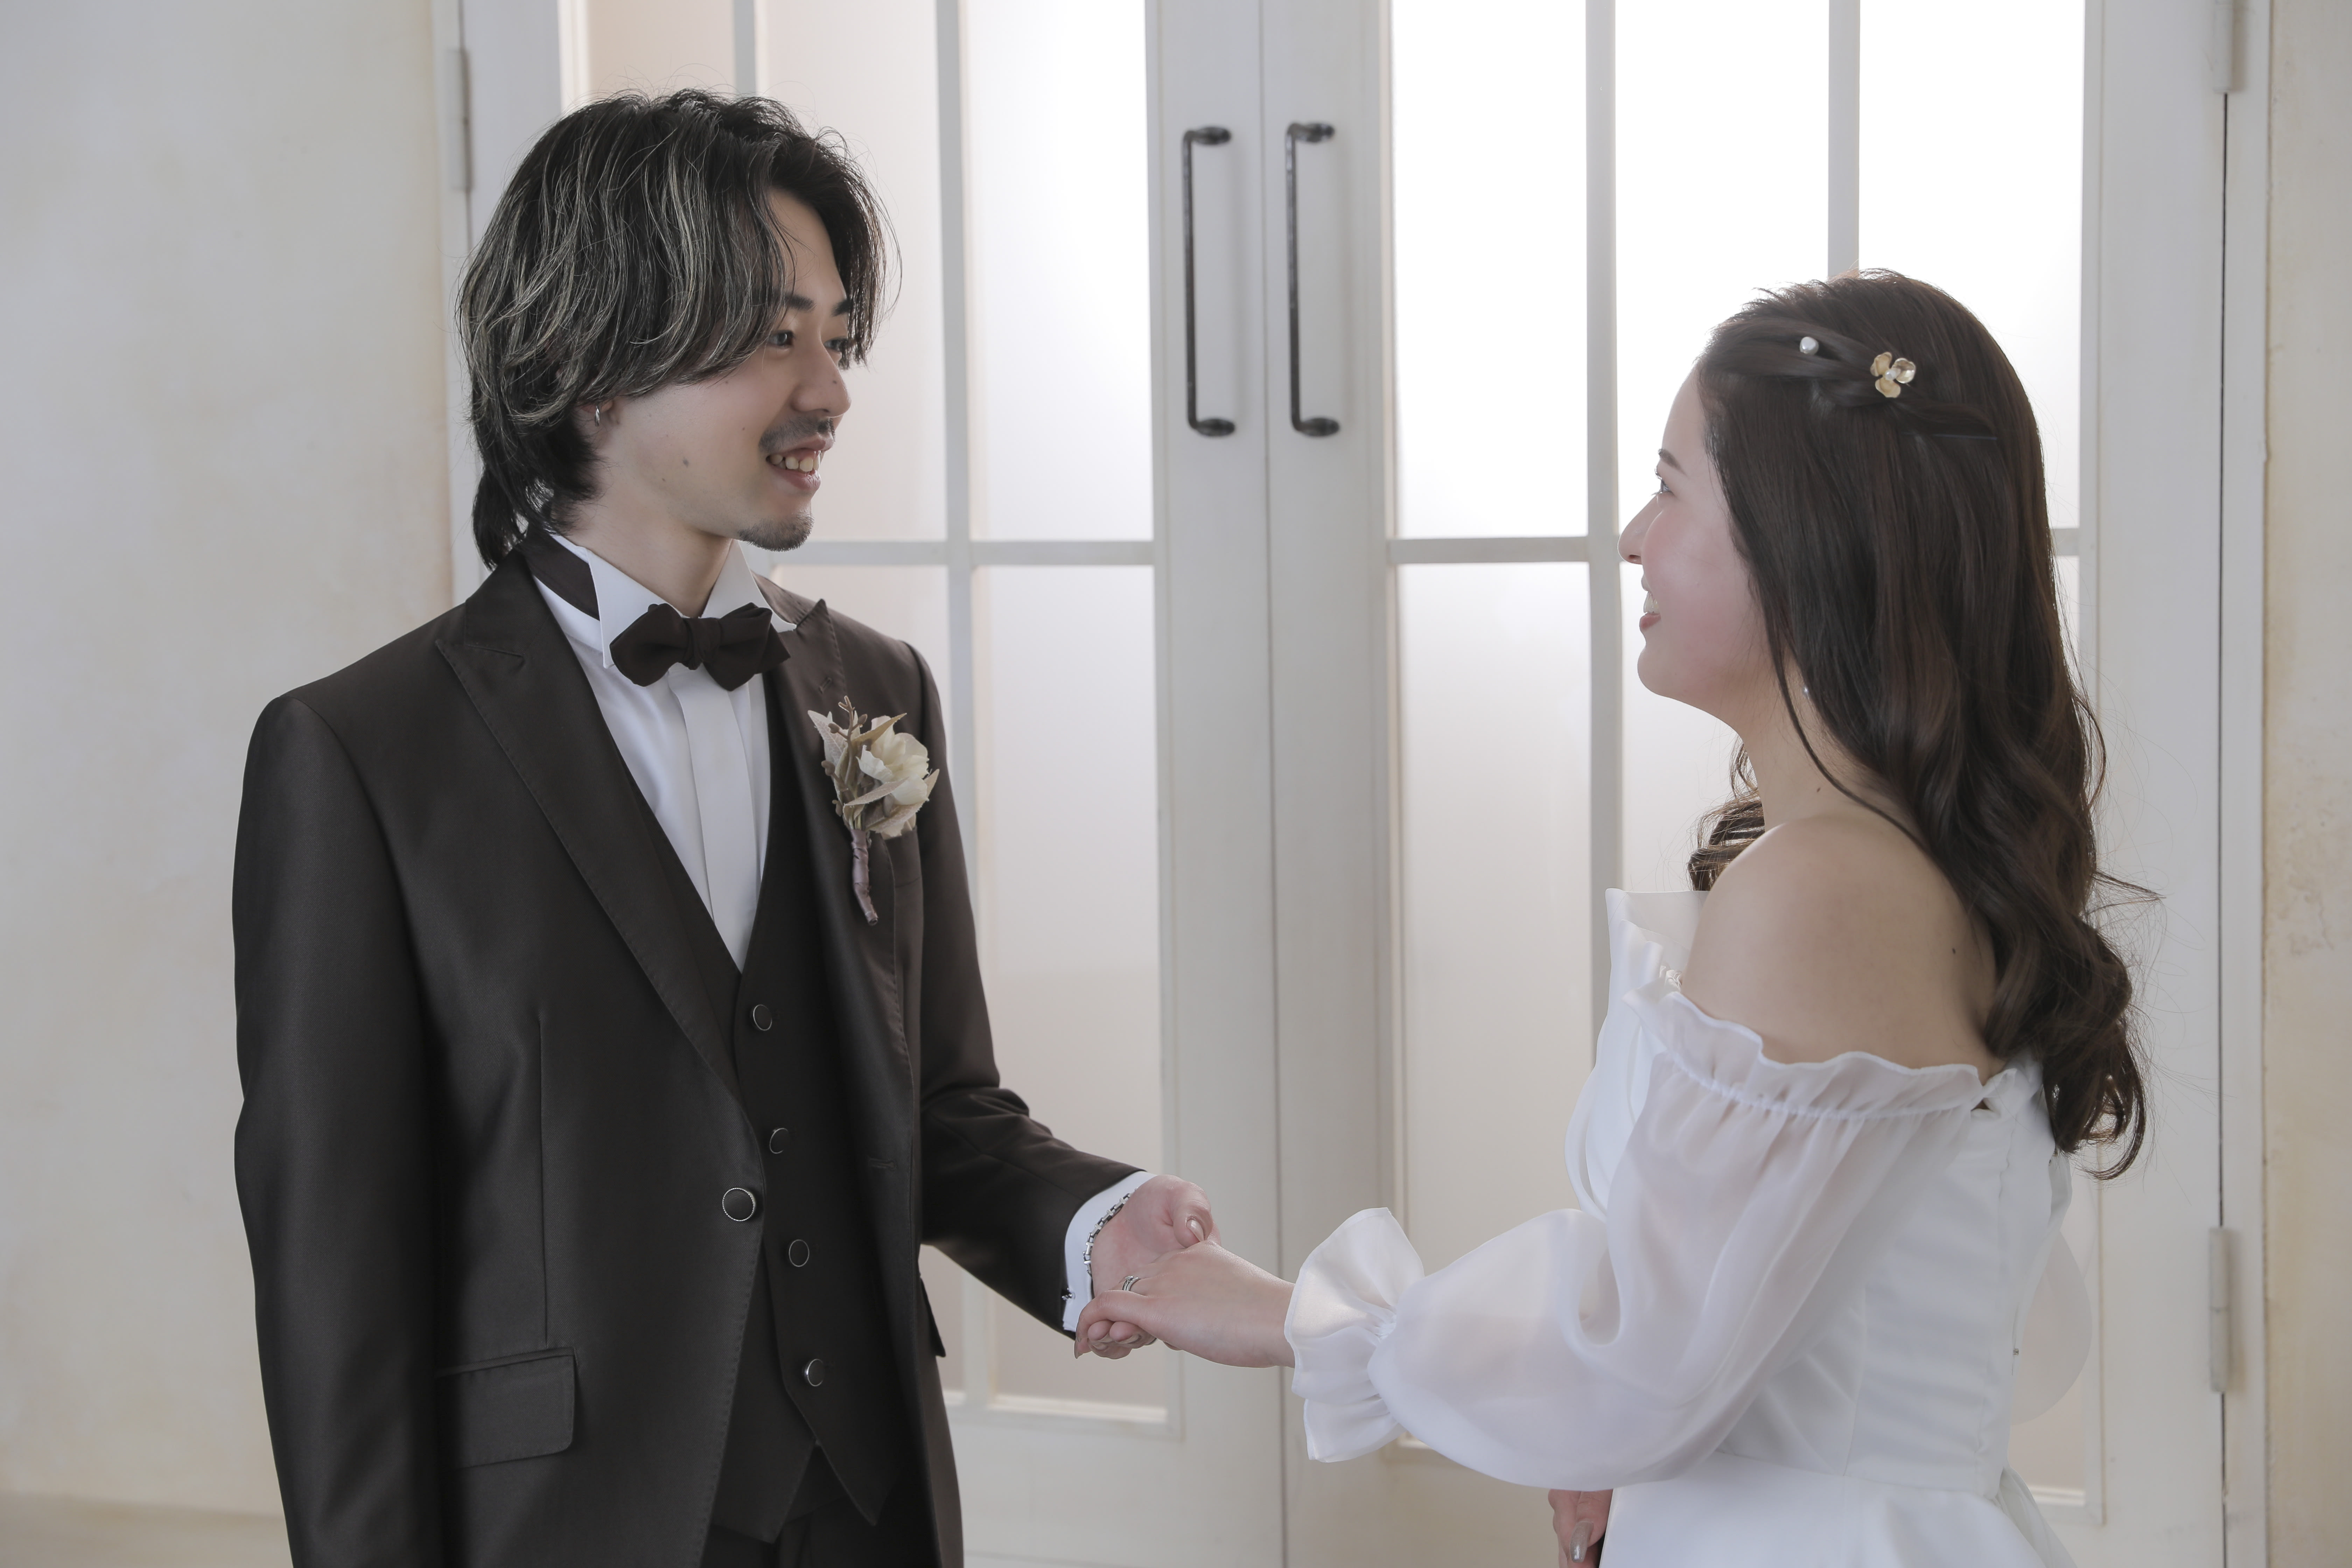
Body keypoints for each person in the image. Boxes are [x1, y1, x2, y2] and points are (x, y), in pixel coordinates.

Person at [233, 90, 1208, 1568]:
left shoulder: (878, 693)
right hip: (560, 1524)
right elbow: (338, 1273)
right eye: (771, 337)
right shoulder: (362, 754)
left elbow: (942, 1110)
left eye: (839, 336)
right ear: (587, 369)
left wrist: (1102, 1226)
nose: (830, 390)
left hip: (866, 1505)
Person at [1074, 272, 2141, 1568]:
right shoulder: (1902, 864)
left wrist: (1287, 1314)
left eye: (1672, 487)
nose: (1635, 537)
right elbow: (1803, 1295)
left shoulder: (1825, 887)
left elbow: (1642, 1364)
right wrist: (1617, 1438)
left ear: (1809, 537)